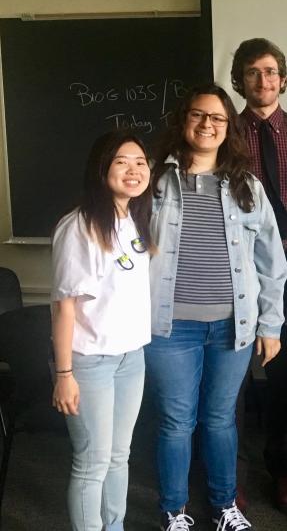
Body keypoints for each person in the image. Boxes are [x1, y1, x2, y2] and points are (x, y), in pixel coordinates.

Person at [146, 83, 287, 531]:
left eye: (217, 118)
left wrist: (271, 325)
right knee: (175, 423)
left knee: (220, 420)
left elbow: (272, 263)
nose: (207, 124)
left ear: (228, 128)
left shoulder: (247, 186)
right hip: (169, 328)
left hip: (232, 327)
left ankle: (225, 507)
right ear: (183, 120)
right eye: (197, 115)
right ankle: (175, 512)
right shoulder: (154, 181)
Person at [230, 37, 287, 511]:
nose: (262, 81)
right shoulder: (223, 133)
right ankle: (232, 476)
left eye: (270, 72)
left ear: (283, 79)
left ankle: (282, 469)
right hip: (234, 269)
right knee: (233, 380)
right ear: (239, 80)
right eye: (252, 72)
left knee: (284, 376)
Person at [50, 130, 154, 531]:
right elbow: (64, 307)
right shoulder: (79, 226)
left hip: (131, 357)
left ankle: (115, 526)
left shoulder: (133, 220)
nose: (134, 170)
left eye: (141, 162)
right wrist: (64, 375)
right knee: (92, 461)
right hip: (89, 362)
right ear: (102, 168)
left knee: (118, 456)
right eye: (122, 161)